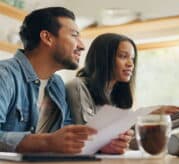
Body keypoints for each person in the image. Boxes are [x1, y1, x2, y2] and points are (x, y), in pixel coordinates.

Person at [0, 7, 129, 154]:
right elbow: (50, 142)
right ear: (47, 38)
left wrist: (101, 145)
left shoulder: (57, 84)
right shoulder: (4, 75)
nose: (82, 45)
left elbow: (65, 138)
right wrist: (46, 142)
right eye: (74, 36)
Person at [66, 33, 179, 153]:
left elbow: (127, 142)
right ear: (103, 59)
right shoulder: (77, 86)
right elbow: (86, 135)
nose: (131, 64)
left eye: (132, 58)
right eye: (123, 56)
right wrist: (144, 114)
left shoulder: (116, 96)